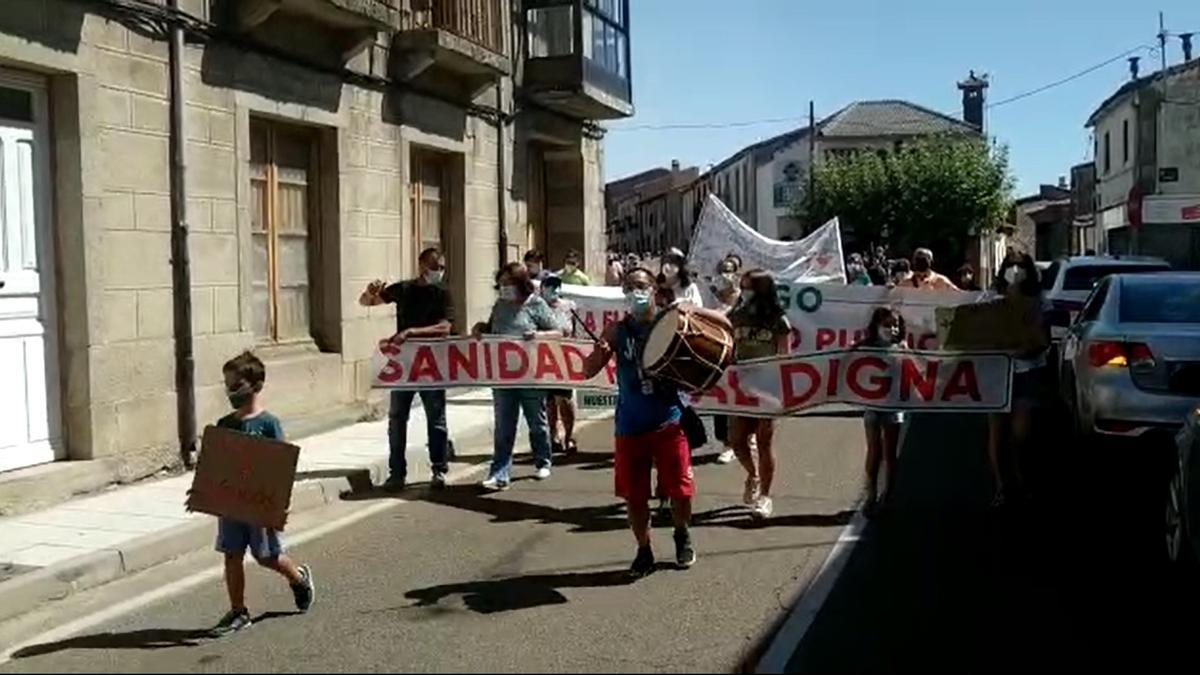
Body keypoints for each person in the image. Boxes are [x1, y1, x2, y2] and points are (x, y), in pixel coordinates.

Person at [582, 268, 732, 576]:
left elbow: (726, 323)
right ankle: (644, 549)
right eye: (628, 287)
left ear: (653, 290)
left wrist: (694, 309)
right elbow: (586, 371)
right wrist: (598, 354)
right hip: (630, 426)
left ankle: (682, 534)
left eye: (640, 286)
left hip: (669, 422)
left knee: (680, 490)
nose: (633, 292)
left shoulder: (672, 320)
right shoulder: (616, 330)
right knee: (635, 496)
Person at [210, 352, 315, 637]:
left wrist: (279, 505)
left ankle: (298, 578)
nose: (231, 390)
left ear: (256, 385)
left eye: (236, 384)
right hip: (232, 505)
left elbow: (281, 468)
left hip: (259, 506)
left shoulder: (268, 424)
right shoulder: (225, 424)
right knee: (231, 555)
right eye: (227, 384)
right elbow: (217, 465)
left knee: (267, 556)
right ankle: (238, 611)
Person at [360, 247, 453, 491]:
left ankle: (439, 469)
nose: (440, 272)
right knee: (397, 418)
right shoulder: (404, 289)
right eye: (435, 267)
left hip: (431, 364)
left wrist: (412, 332)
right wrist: (369, 293)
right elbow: (367, 302)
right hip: (405, 365)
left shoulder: (442, 293)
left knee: (436, 418)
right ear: (422, 266)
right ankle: (397, 473)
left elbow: (444, 328)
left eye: (442, 267)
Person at [472, 263, 563, 490]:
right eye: (501, 284)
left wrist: (539, 335)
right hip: (503, 376)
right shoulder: (500, 305)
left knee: (537, 422)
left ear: (520, 284)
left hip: (531, 376)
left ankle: (543, 460)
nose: (503, 289)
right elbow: (491, 328)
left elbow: (559, 332)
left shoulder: (536, 305)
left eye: (508, 284)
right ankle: (499, 472)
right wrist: (479, 328)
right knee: (504, 425)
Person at [987, 253, 1050, 508]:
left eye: (1020, 266)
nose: (1015, 270)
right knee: (996, 433)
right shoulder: (993, 299)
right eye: (1010, 266)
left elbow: (1043, 340)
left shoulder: (1038, 301)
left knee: (1021, 434)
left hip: (1027, 372)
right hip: (996, 374)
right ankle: (1002, 486)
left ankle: (1021, 481)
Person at [728, 270, 792, 519]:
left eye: (748, 287)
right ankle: (752, 475)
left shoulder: (779, 320)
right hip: (741, 386)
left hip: (768, 387)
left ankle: (765, 497)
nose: (744, 292)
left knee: (765, 442)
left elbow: (785, 355)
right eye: (742, 287)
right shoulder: (736, 315)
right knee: (737, 439)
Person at [854, 308, 907, 518]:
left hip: (893, 406)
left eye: (895, 324)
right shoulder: (866, 346)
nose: (892, 329)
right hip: (872, 405)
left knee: (890, 453)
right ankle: (871, 493)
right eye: (887, 324)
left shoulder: (902, 347)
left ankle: (888, 496)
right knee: (874, 450)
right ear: (876, 326)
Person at [541, 276, 579, 455]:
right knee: (549, 402)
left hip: (564, 358)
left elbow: (575, 332)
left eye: (556, 286)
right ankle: (553, 436)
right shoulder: (536, 307)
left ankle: (569, 436)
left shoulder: (569, 306)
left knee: (565, 399)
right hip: (542, 359)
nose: (553, 290)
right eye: (549, 287)